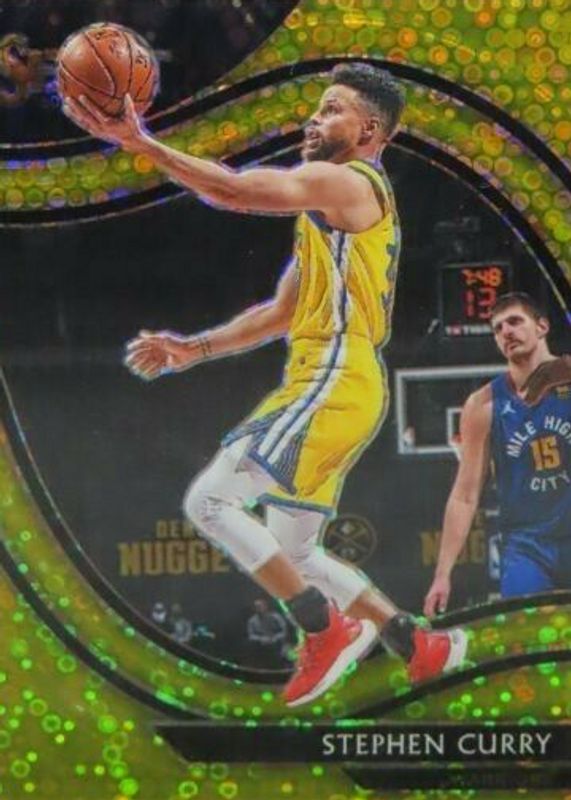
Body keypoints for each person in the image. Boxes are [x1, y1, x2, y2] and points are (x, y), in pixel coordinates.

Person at [64, 62, 466, 707]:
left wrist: (142, 143)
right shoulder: (330, 214)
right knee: (294, 554)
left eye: (331, 109)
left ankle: (325, 631)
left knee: (210, 503)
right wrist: (193, 348)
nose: (313, 119)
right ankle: (416, 643)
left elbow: (232, 191)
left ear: (368, 130)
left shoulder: (347, 180)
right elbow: (281, 312)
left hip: (333, 374)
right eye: (317, 108)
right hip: (346, 382)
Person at [425, 293, 571, 616]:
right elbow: (464, 495)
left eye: (515, 321)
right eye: (498, 328)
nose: (506, 331)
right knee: (526, 634)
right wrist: (442, 574)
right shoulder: (483, 405)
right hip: (528, 547)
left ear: (542, 326)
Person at [247, 598, 289, 666]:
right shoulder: (252, 621)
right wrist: (261, 638)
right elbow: (251, 635)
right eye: (256, 607)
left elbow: (285, 631)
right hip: (263, 649)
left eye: (260, 606)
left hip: (279, 646)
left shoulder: (276, 617)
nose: (258, 608)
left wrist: (275, 638)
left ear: (265, 606)